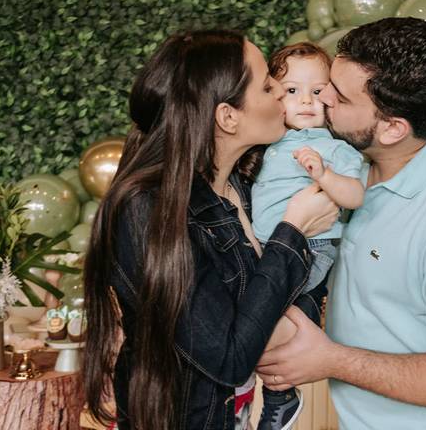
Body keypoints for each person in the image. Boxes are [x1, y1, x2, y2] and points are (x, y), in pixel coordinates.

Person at [257, 17, 426, 429]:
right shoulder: (360, 159)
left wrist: (330, 359)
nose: (322, 96)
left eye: (339, 95)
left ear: (392, 128)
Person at [82, 30, 339, 430]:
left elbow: (271, 312)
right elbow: (231, 357)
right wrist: (293, 230)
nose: (280, 92)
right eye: (267, 86)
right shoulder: (148, 210)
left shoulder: (244, 184)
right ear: (227, 117)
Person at [251, 42, 365, 430]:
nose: (306, 101)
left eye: (317, 91)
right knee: (255, 318)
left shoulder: (335, 148)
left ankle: (279, 397)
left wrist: (324, 175)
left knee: (267, 314)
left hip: (312, 247)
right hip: (267, 247)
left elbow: (356, 195)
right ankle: (277, 395)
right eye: (292, 91)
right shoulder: (268, 143)